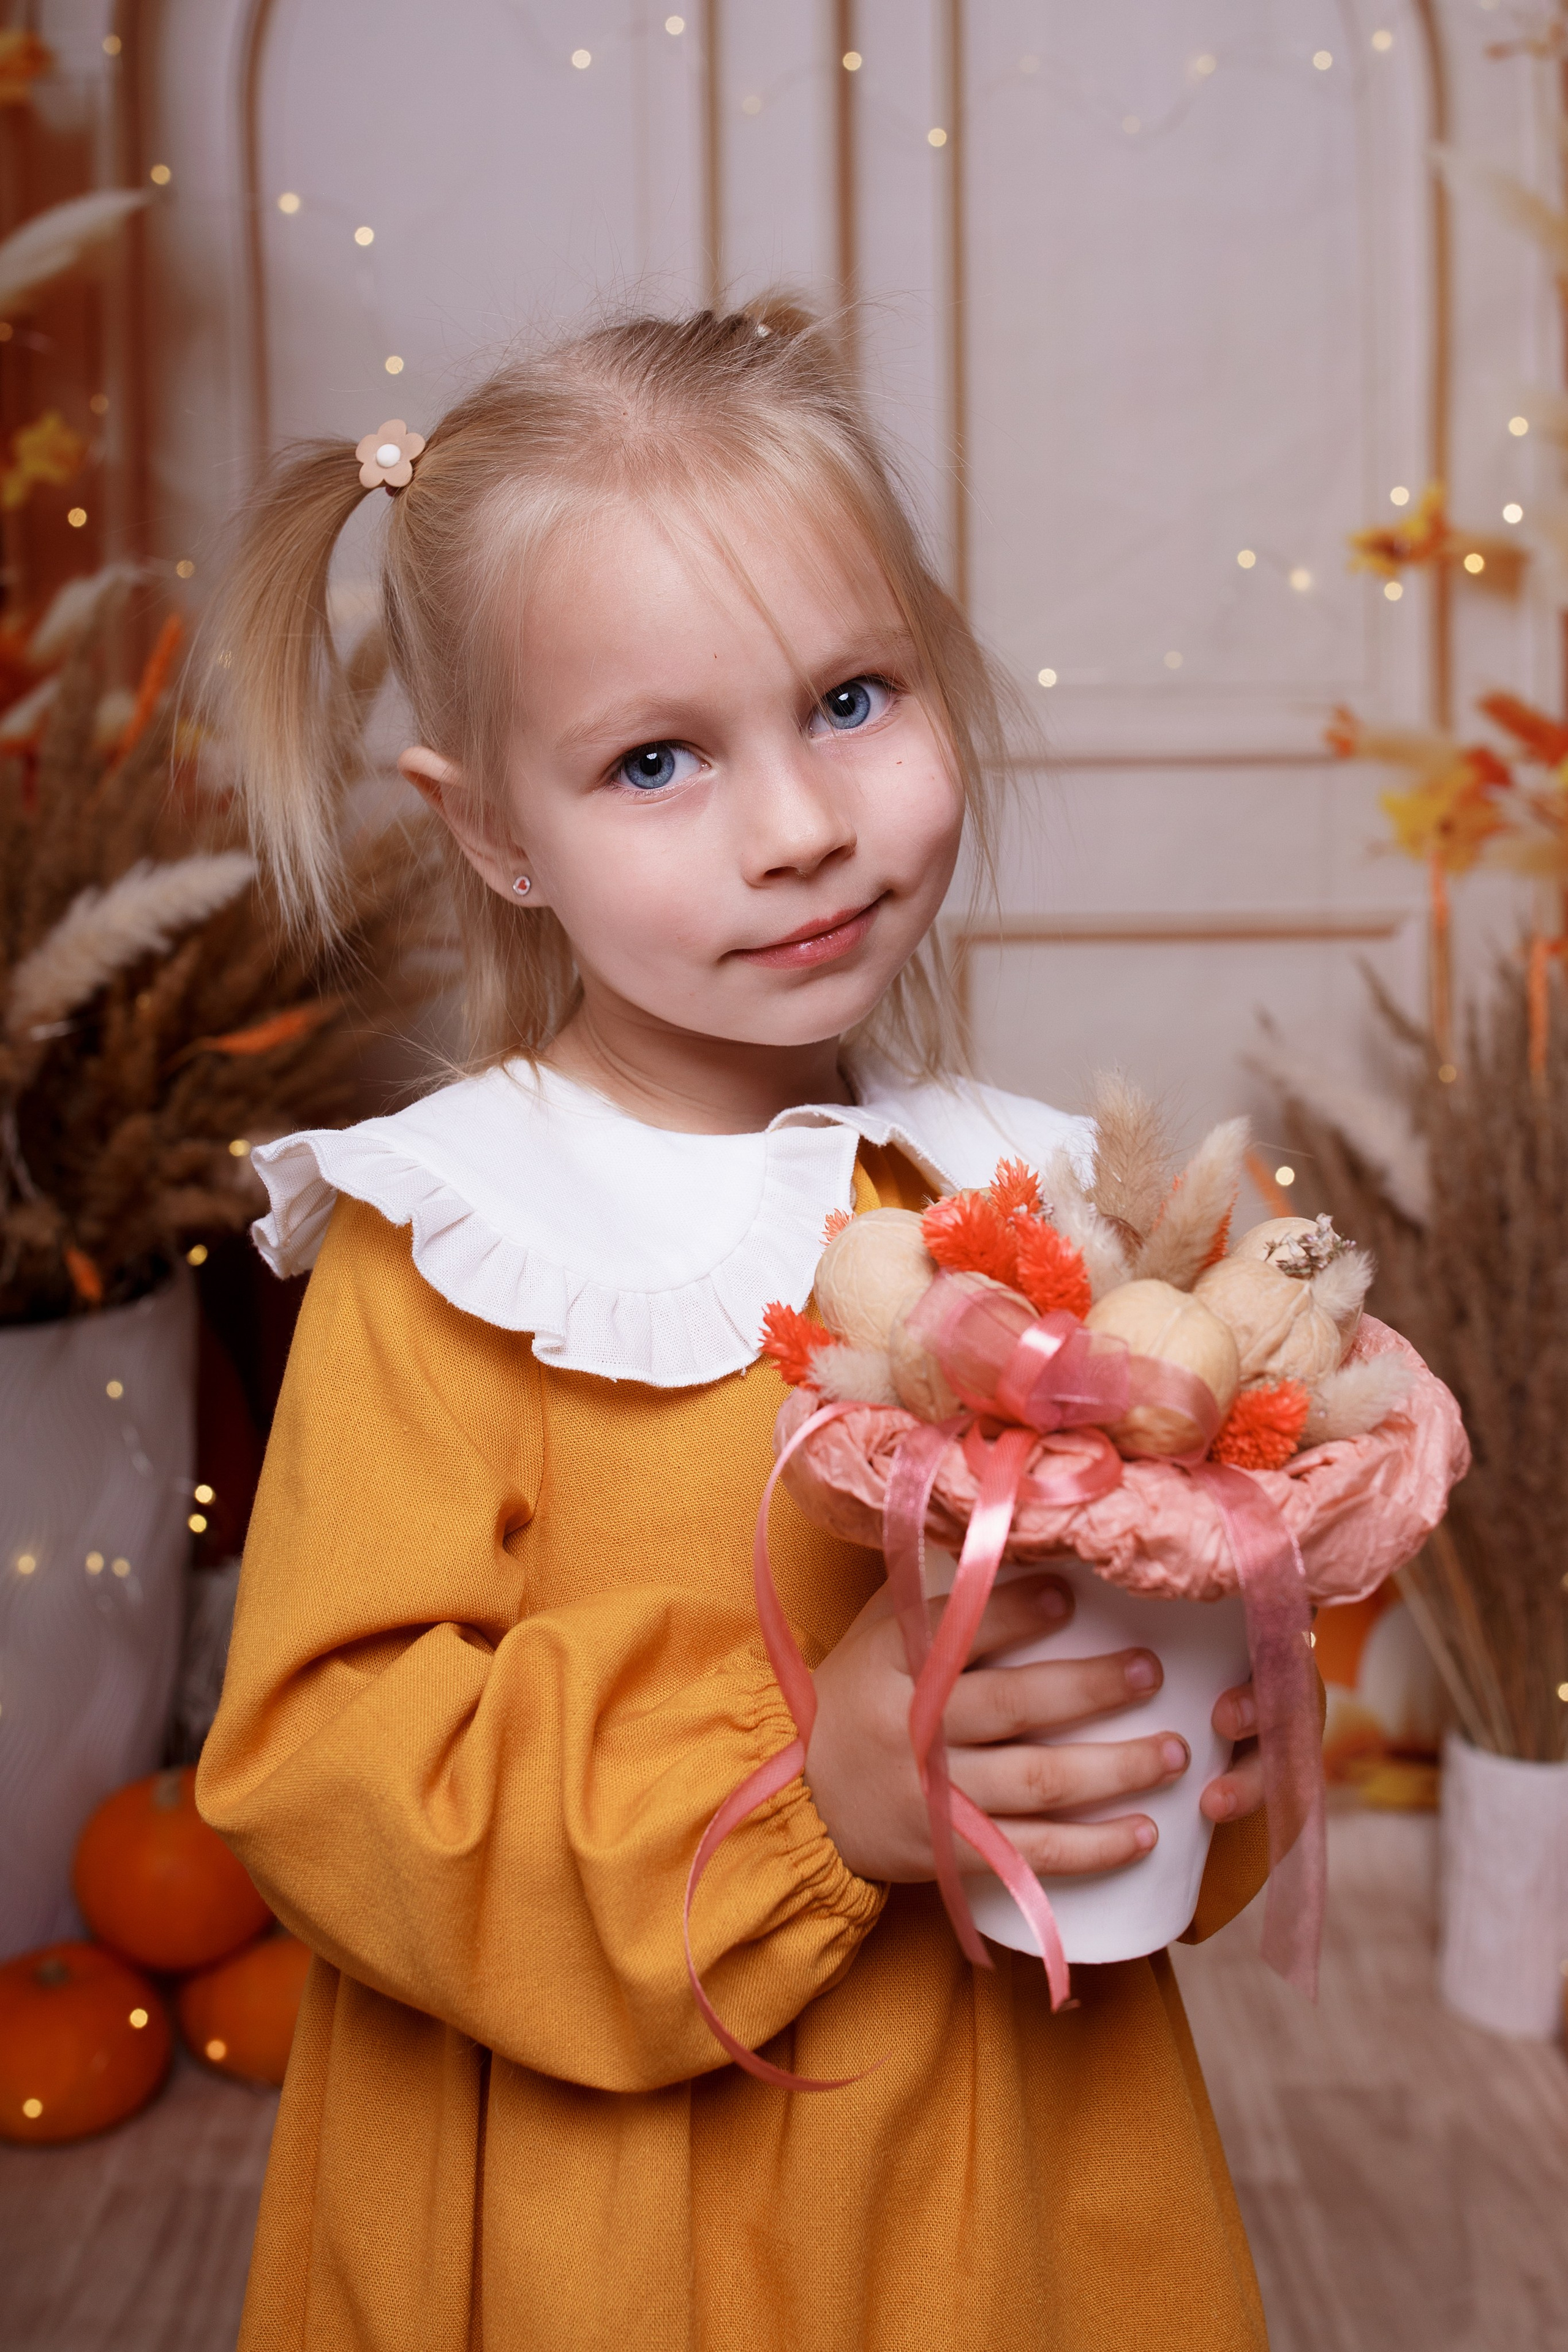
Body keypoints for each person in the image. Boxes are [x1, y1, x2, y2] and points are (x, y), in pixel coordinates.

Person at [197, 298, 1270, 2352]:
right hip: (615, 2230)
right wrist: (810, 1797)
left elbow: (1156, 1730)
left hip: (1003, 2196)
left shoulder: (1028, 1206)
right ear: (493, 827)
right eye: (657, 760)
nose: (794, 825)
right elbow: (322, 1769)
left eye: (853, 698)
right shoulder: (456, 1240)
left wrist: (1212, 1714)